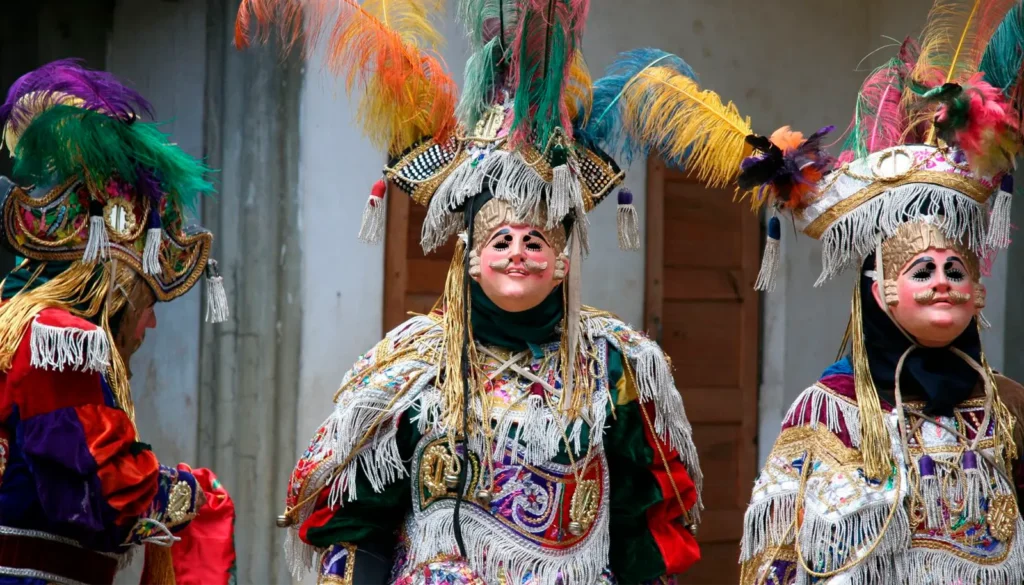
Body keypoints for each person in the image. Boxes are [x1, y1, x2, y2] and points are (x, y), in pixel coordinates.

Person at [234, 2, 713, 585]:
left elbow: (641, 525)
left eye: (536, 241)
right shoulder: (409, 368)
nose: (517, 253)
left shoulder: (615, 366)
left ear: (563, 262)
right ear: (470, 259)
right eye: (501, 239)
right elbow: (359, 525)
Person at [732, 5, 1024, 583]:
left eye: (954, 271)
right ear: (882, 291)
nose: (942, 281)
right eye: (922, 271)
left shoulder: (1006, 407)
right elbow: (781, 562)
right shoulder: (829, 409)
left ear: (979, 292)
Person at [0, 60, 235, 585]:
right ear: (113, 288)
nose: (149, 323)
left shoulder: (16, 322)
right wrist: (192, 492)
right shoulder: (60, 339)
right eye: (146, 301)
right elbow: (100, 490)